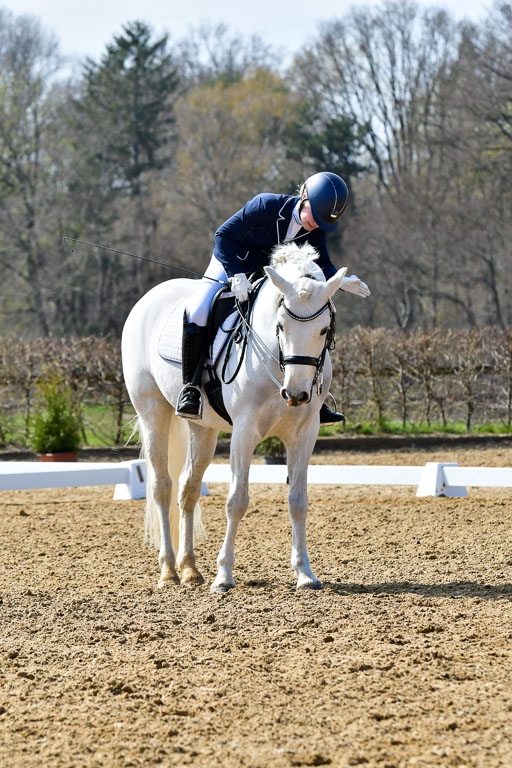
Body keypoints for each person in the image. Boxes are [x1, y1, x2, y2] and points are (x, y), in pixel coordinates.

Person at [177, 171, 370, 423]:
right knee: (199, 309)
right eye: (316, 216)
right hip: (232, 262)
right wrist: (236, 275)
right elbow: (223, 236)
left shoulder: (316, 227)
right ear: (304, 197)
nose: (317, 225)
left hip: (269, 277)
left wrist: (342, 281)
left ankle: (316, 397)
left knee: (308, 316)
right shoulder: (266, 205)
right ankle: (190, 388)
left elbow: (323, 262)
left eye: (324, 223)